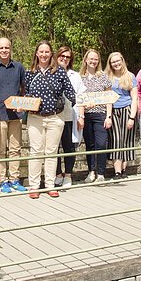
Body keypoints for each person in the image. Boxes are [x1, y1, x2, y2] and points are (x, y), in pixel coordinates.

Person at [24, 40, 77, 199]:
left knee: (51, 152)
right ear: (36, 53)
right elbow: (24, 94)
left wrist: (83, 104)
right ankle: (34, 186)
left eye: (47, 52)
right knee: (35, 152)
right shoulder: (30, 73)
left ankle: (50, 185)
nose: (44, 55)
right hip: (35, 118)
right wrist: (21, 105)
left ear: (51, 54)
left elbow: (70, 93)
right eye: (41, 52)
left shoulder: (60, 72)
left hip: (55, 117)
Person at [0, 37, 27, 193]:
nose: (4, 50)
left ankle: (15, 179)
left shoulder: (18, 67)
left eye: (7, 48)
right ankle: (3, 180)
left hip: (16, 116)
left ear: (11, 49)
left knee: (15, 149)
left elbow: (24, 89)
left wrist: (22, 105)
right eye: (1, 48)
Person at [78, 49, 112, 183]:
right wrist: (82, 112)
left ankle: (101, 172)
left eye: (96, 59)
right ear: (86, 60)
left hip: (100, 114)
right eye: (91, 59)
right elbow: (79, 98)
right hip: (85, 115)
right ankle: (91, 171)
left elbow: (109, 97)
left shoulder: (103, 76)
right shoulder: (80, 77)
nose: (93, 61)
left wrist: (108, 116)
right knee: (90, 144)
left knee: (101, 143)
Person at [105, 52, 138, 180]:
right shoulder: (108, 77)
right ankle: (117, 171)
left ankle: (124, 170)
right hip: (113, 110)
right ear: (110, 64)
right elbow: (107, 97)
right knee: (116, 140)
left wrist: (132, 117)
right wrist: (108, 116)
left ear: (122, 61)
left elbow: (134, 97)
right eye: (113, 62)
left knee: (127, 140)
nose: (116, 64)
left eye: (118, 61)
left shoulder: (130, 76)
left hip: (127, 109)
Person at [54, 46, 84, 188]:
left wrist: (81, 116)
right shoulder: (51, 72)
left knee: (69, 146)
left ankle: (68, 175)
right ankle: (58, 174)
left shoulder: (75, 76)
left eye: (67, 57)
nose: (64, 59)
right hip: (54, 115)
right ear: (57, 56)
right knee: (53, 147)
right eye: (62, 56)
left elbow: (81, 97)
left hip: (70, 115)